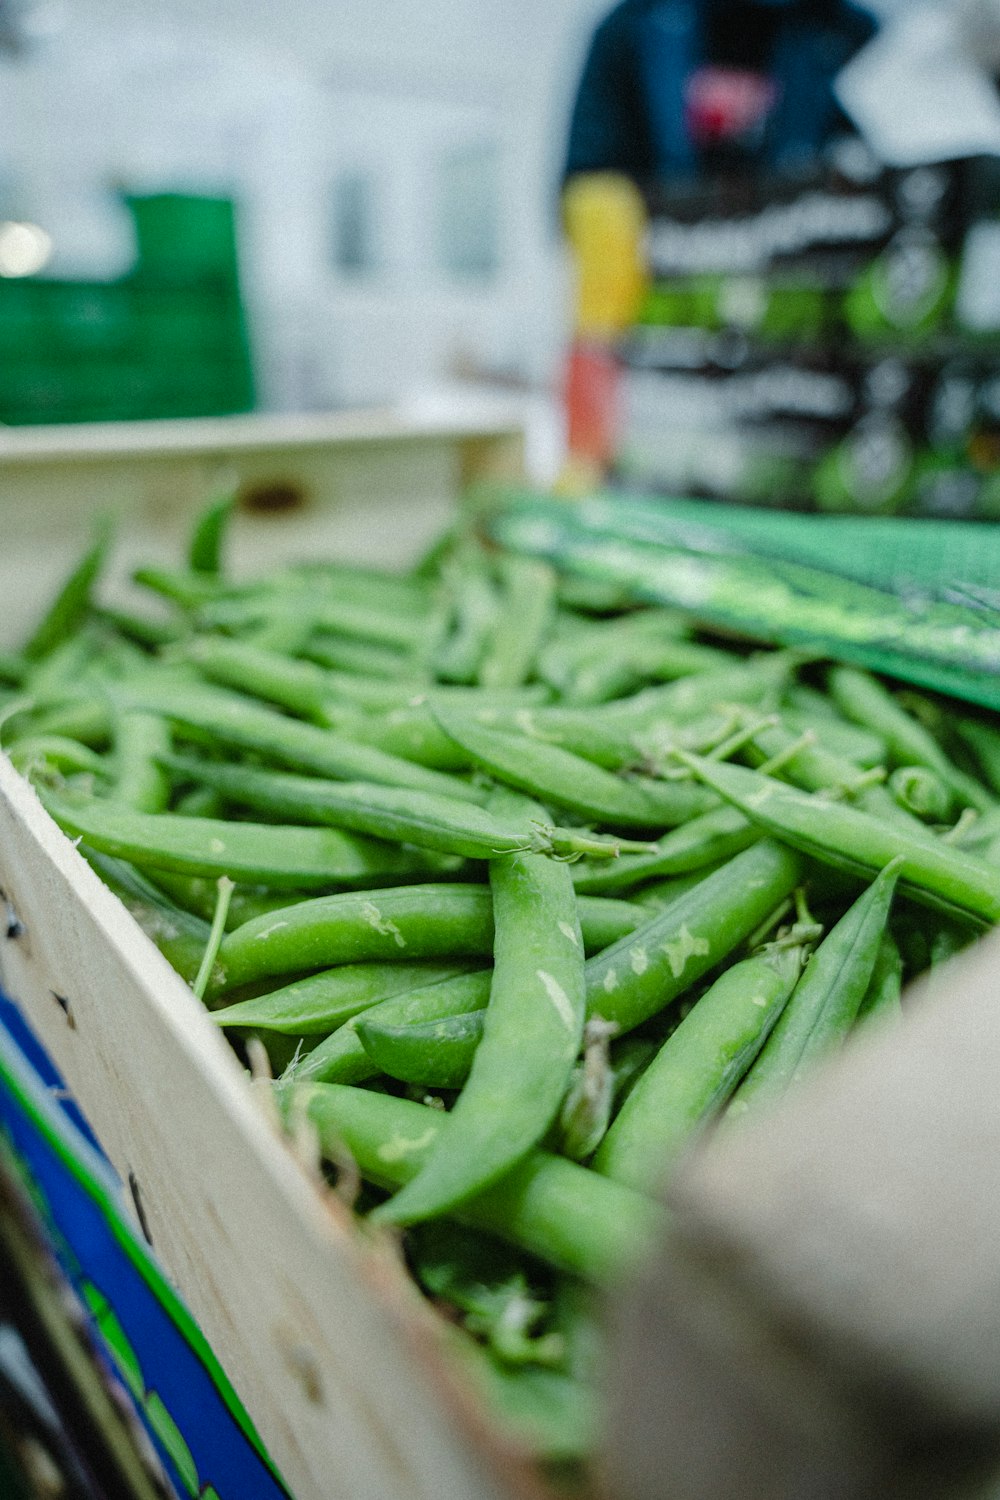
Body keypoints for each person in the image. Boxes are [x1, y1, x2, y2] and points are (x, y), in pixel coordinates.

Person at [564, 0, 878, 190]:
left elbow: (899, 177)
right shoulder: (632, 30)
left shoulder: (847, 36)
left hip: (813, 279)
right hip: (671, 278)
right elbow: (589, 176)